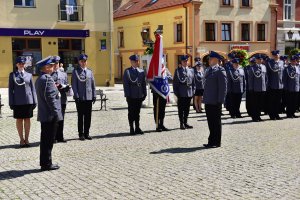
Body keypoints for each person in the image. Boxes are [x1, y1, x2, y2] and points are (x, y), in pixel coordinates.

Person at [35, 56, 63, 171]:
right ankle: (47, 163)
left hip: (45, 114)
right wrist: (56, 113)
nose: (53, 67)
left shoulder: (40, 78)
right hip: (50, 115)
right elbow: (50, 98)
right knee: (48, 140)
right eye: (50, 66)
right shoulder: (47, 79)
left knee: (45, 140)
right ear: (45, 68)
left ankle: (45, 162)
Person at [8, 56, 37, 148]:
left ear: (24, 65)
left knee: (27, 120)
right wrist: (11, 102)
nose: (21, 65)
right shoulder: (12, 75)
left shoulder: (29, 75)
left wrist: (35, 101)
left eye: (22, 63)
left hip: (28, 101)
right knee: (19, 120)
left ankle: (27, 139)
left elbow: (33, 89)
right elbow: (10, 90)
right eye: (19, 63)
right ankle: (21, 139)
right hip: (18, 102)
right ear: (16, 64)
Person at [203, 51, 227, 148]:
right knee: (210, 122)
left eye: (210, 59)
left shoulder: (220, 71)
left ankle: (216, 142)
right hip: (208, 100)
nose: (209, 60)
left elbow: (223, 87)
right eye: (209, 59)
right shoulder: (209, 70)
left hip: (215, 101)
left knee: (216, 122)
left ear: (215, 60)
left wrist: (220, 100)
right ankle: (211, 140)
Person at [71, 54, 96, 140]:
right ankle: (81, 134)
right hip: (80, 98)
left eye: (85, 61)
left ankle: (87, 133)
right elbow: (74, 85)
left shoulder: (90, 71)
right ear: (79, 62)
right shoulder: (76, 72)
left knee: (88, 116)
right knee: (80, 116)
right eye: (82, 61)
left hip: (88, 97)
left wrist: (94, 95)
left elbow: (93, 85)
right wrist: (76, 96)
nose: (84, 63)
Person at [123, 55, 147, 135]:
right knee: (131, 112)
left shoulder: (141, 71)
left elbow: (143, 83)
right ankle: (131, 128)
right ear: (131, 62)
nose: (136, 63)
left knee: (137, 112)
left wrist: (145, 93)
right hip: (131, 95)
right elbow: (126, 84)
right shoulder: (127, 72)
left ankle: (137, 127)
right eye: (135, 61)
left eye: (137, 61)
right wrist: (127, 95)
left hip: (139, 95)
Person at [51, 56, 70, 143]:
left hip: (62, 99)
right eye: (54, 63)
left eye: (57, 63)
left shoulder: (64, 74)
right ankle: (53, 137)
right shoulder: (49, 75)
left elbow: (66, 84)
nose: (56, 65)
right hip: (54, 100)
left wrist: (66, 88)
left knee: (61, 118)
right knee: (55, 119)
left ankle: (60, 137)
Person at [173, 55, 195, 130]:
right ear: (181, 62)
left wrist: (193, 91)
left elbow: (193, 83)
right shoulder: (178, 71)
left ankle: (185, 122)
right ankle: (181, 123)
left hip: (189, 93)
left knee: (187, 109)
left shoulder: (191, 70)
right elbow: (175, 83)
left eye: (186, 61)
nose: (185, 62)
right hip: (181, 93)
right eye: (183, 61)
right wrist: (176, 93)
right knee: (181, 109)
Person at [248, 54, 268, 122]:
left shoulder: (264, 67)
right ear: (256, 60)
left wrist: (265, 87)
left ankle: (258, 116)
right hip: (255, 89)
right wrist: (251, 88)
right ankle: (254, 117)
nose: (260, 60)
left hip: (262, 88)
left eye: (261, 59)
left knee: (260, 104)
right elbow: (250, 79)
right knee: (254, 104)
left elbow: (265, 78)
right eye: (258, 59)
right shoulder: (252, 68)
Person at [266, 50, 284, 120]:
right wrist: (268, 84)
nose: (276, 56)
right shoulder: (269, 63)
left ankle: (277, 114)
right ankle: (272, 115)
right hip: (272, 85)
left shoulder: (282, 62)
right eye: (275, 55)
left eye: (277, 55)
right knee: (272, 101)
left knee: (278, 101)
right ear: (273, 56)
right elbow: (267, 75)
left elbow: (283, 74)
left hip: (280, 85)